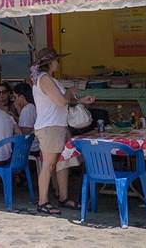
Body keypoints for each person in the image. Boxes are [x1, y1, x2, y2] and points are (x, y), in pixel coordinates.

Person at [31, 47, 95, 215]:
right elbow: (61, 101)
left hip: (57, 126)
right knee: (49, 165)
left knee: (62, 162)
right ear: (51, 62)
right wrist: (70, 92)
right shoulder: (44, 79)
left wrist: (79, 99)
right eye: (57, 60)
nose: (58, 63)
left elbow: (61, 102)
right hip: (49, 128)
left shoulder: (51, 80)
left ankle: (63, 197)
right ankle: (43, 201)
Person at [13, 82, 40, 153]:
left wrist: (13, 124)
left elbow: (25, 131)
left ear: (21, 97)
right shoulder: (31, 107)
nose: (14, 100)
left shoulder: (27, 109)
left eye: (15, 97)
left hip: (30, 148)